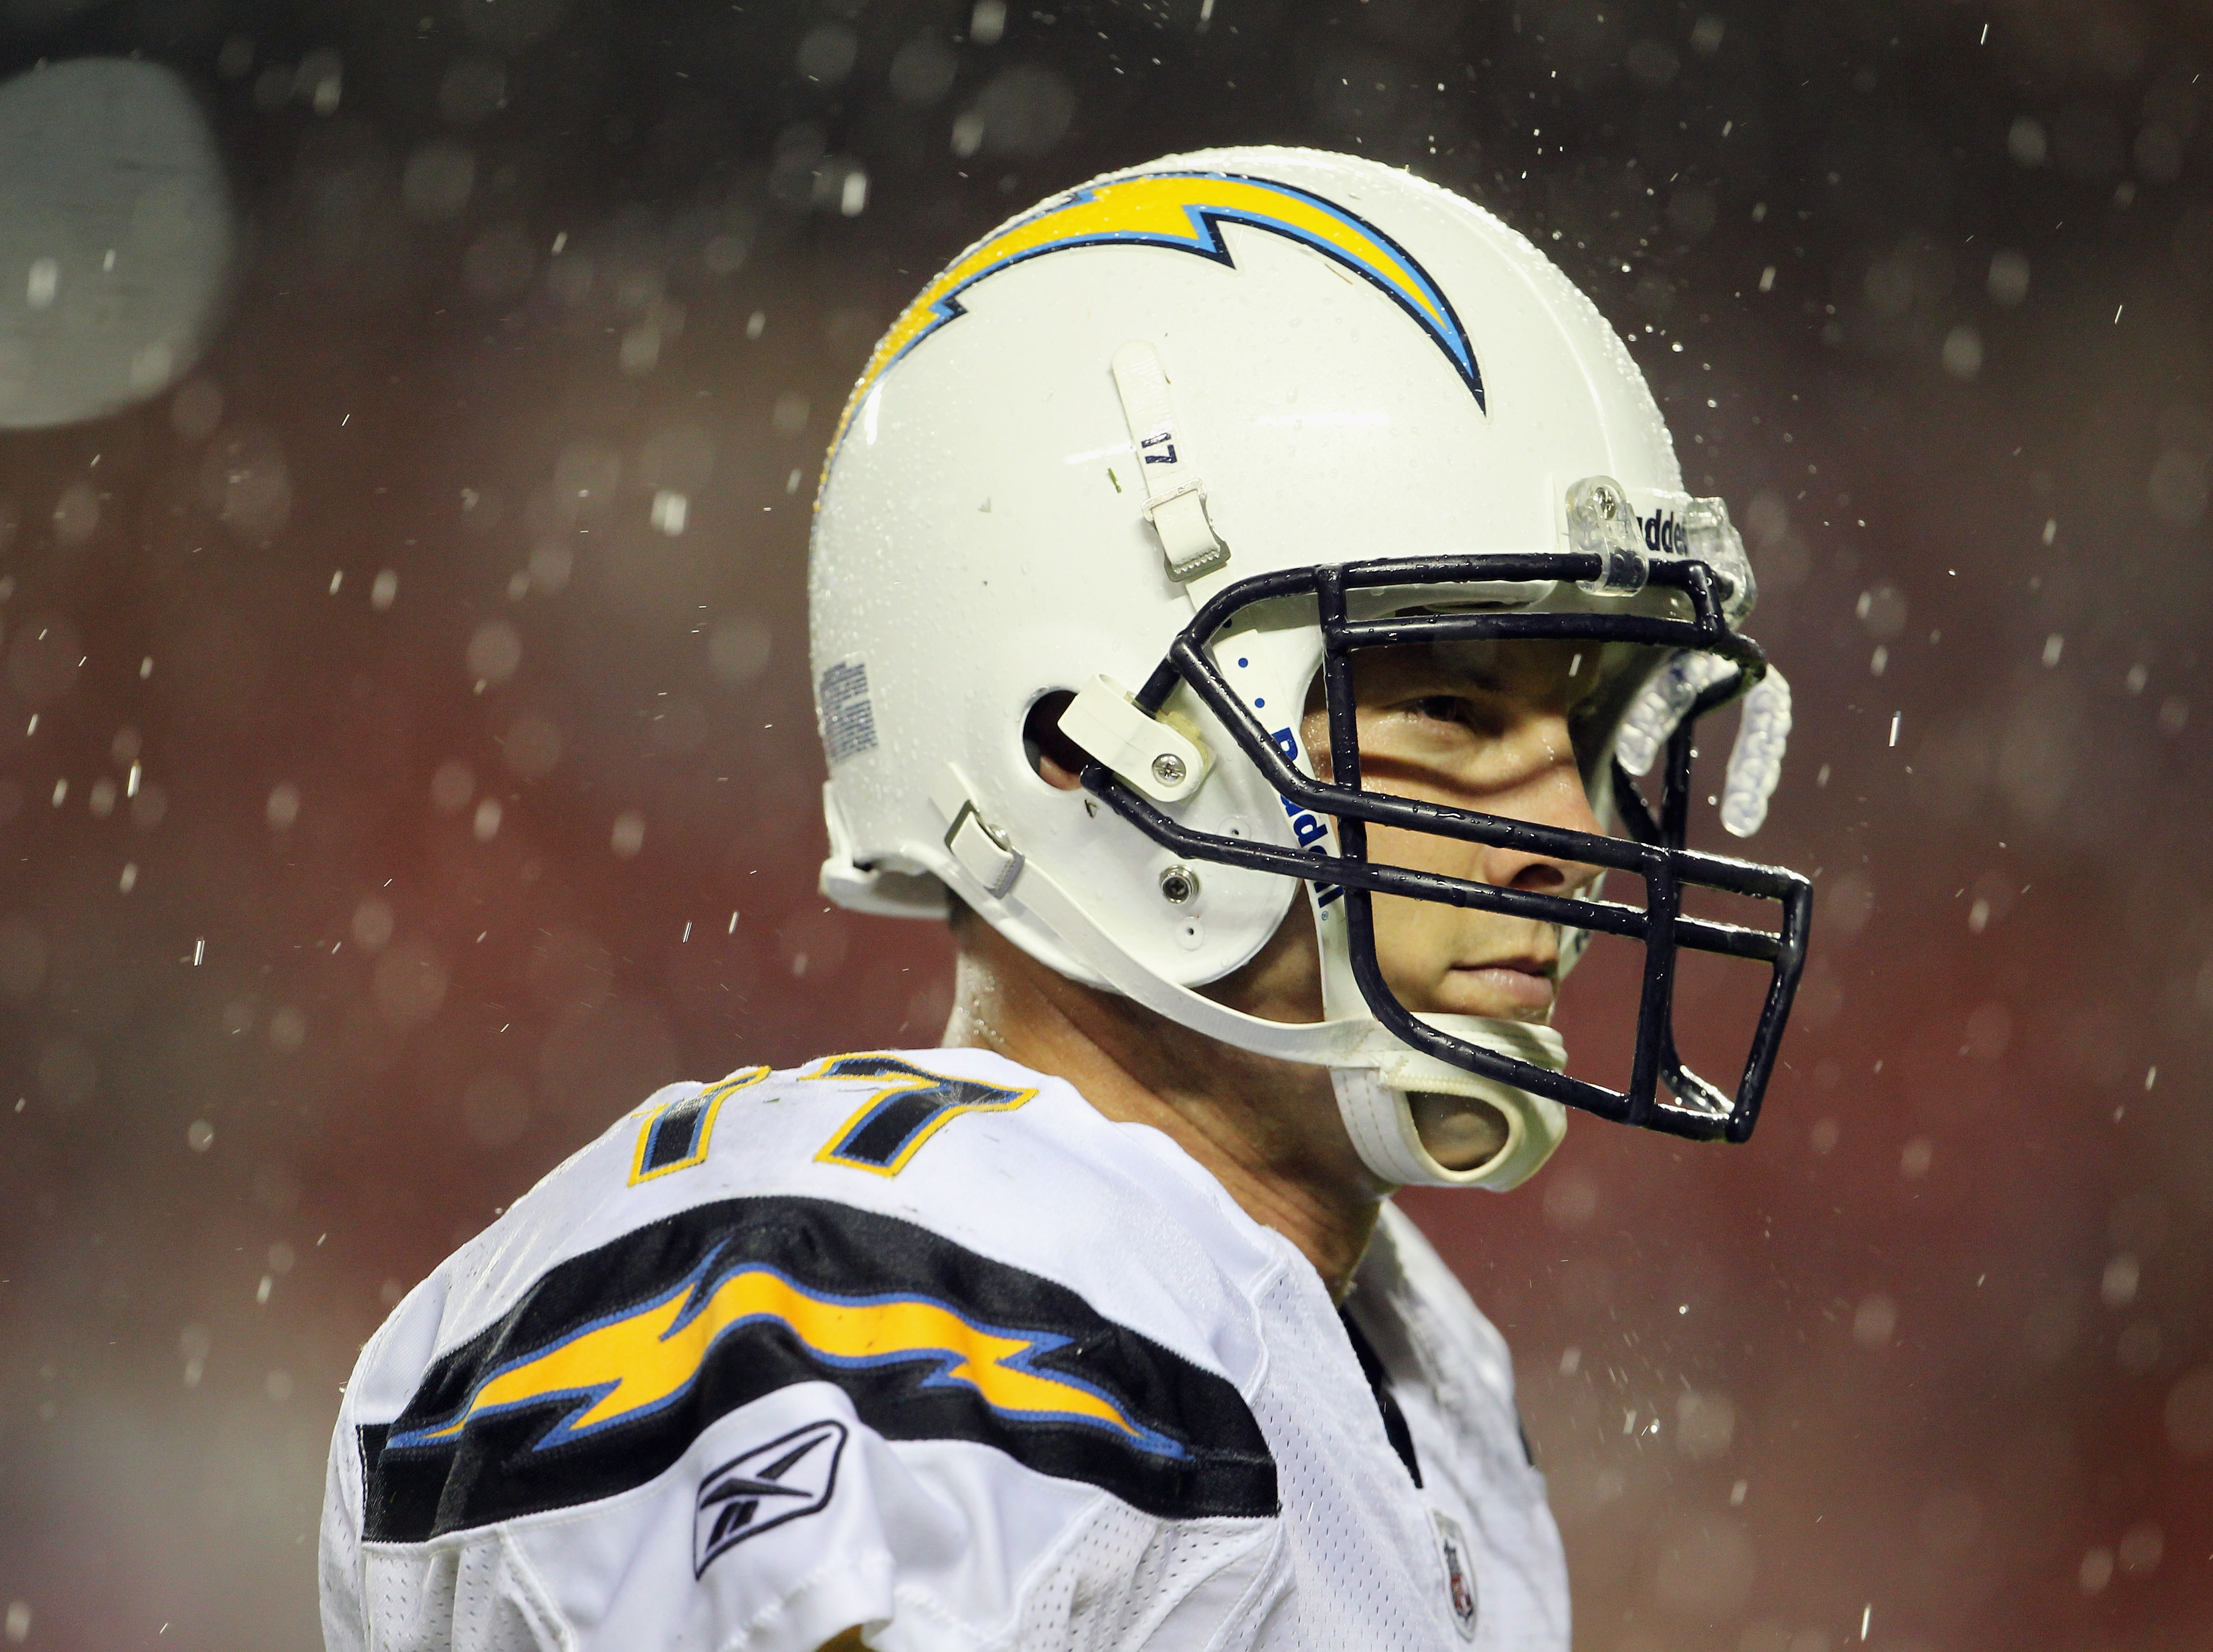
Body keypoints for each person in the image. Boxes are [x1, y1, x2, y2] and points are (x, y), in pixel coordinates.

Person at [318, 146, 1809, 1652]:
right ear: (1073, 752)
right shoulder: (880, 1287)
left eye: (1595, 724)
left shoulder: (1413, 1363)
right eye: (1452, 710)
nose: (1571, 828)